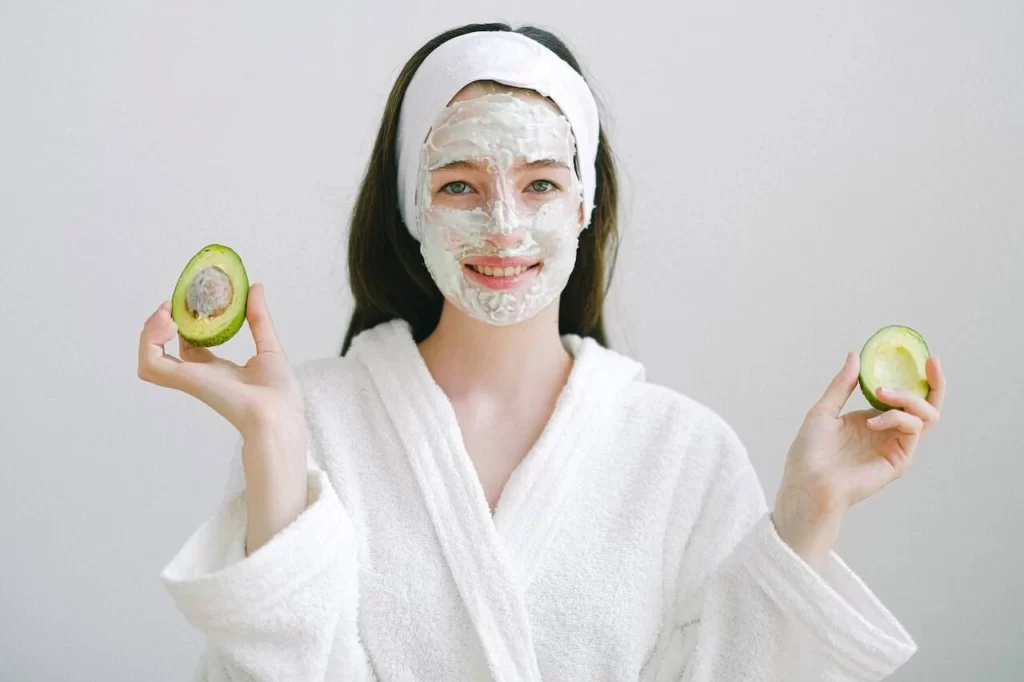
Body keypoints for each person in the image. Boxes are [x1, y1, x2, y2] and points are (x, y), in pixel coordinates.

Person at [138, 23, 946, 682]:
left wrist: (808, 512)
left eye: (540, 185)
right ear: (413, 207)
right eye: (459, 184)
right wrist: (276, 444)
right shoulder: (318, 423)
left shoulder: (684, 453)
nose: (504, 226)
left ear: (586, 202)